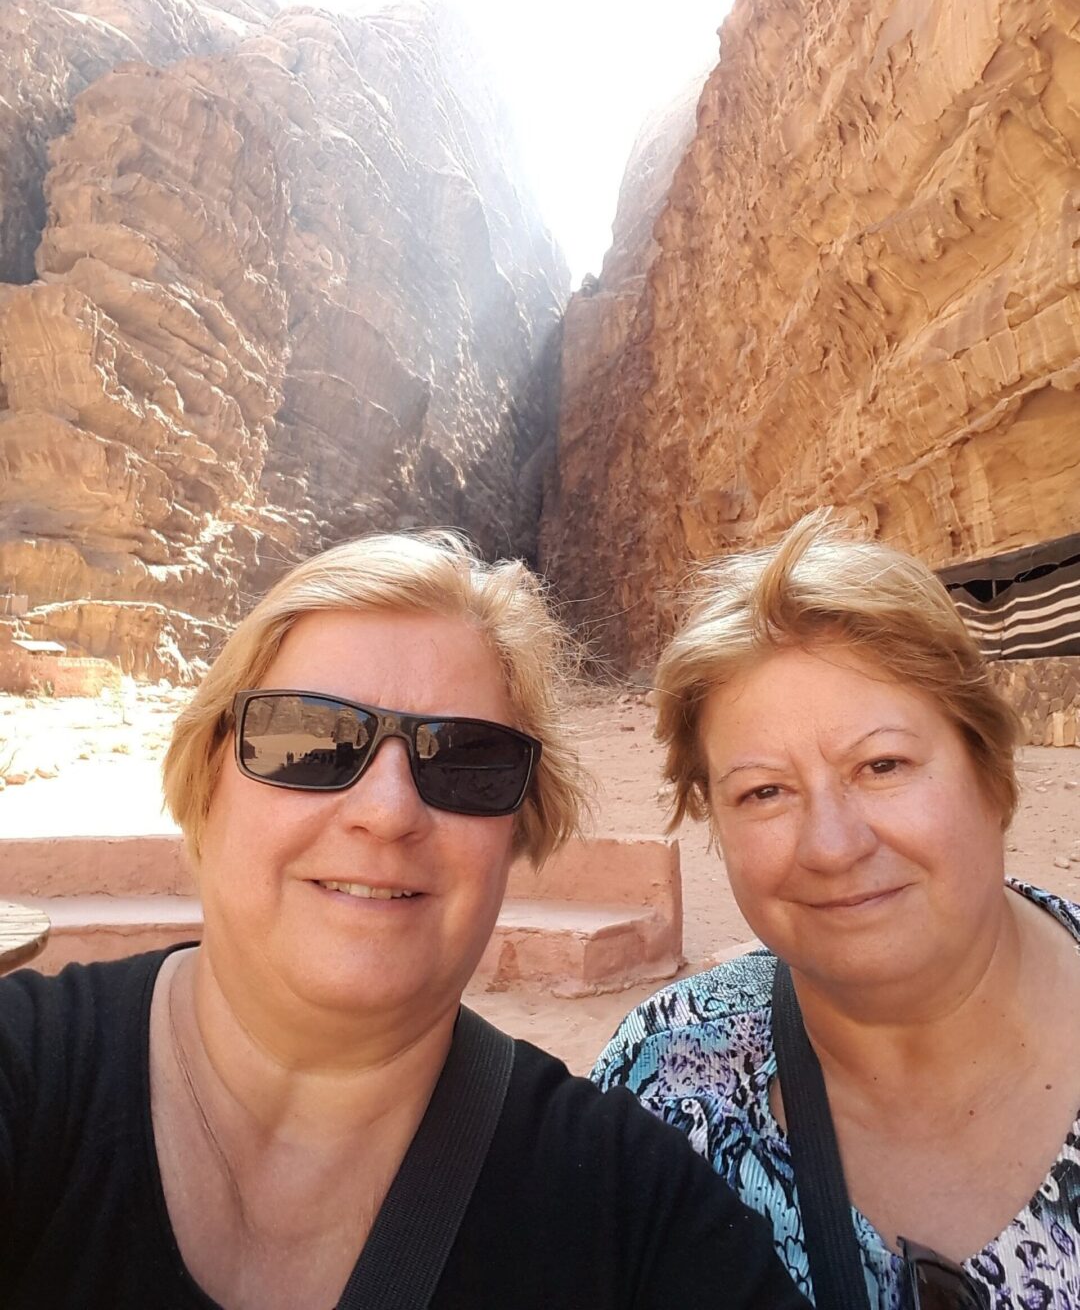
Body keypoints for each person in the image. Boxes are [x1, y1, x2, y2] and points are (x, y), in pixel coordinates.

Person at [0, 530, 810, 1310]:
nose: (387, 813)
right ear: (207, 780)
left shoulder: (628, 1205)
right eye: (311, 741)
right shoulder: (26, 1079)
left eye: (464, 760)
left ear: (518, 829)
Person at [594, 510, 1080, 1308]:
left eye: (882, 764)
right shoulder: (665, 1084)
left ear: (989, 772)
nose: (831, 845)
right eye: (765, 792)